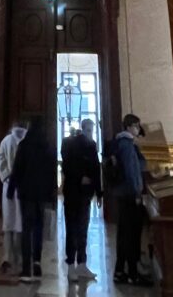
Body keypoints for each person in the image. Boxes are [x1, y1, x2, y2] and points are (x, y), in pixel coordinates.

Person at [7, 116, 56, 282]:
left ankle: (26, 269)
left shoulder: (25, 145)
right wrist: (52, 195)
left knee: (27, 229)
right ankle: (37, 263)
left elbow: (17, 169)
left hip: (26, 193)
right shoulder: (48, 146)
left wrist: (11, 189)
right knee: (39, 228)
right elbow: (52, 173)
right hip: (42, 194)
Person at [109, 114, 151, 286]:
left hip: (123, 193)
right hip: (129, 195)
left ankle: (121, 270)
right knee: (131, 235)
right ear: (129, 127)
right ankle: (131, 272)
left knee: (125, 234)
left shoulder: (124, 144)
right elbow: (132, 172)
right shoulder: (127, 145)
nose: (137, 130)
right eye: (136, 126)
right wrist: (137, 194)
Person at [61, 118, 102, 281]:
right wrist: (80, 178)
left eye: (92, 131)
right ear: (82, 129)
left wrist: (99, 192)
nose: (90, 133)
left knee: (83, 229)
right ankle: (71, 265)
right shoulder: (70, 144)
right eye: (88, 130)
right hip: (73, 193)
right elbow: (66, 166)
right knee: (72, 229)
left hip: (85, 194)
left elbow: (96, 169)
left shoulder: (92, 146)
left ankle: (82, 264)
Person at [0, 120, 27, 273]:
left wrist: (6, 176)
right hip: (15, 186)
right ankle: (10, 257)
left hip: (16, 186)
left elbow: (0, 159)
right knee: (11, 223)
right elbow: (0, 159)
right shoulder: (10, 141)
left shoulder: (9, 140)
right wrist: (7, 176)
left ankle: (14, 257)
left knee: (14, 223)